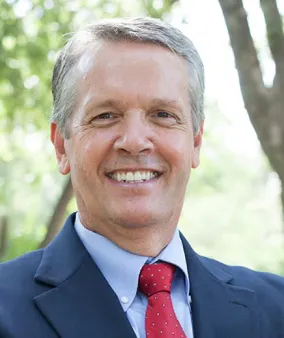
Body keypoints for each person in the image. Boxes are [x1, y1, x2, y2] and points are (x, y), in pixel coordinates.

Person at [0, 17, 284, 338]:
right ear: (62, 146)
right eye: (105, 116)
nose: (134, 141)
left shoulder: (277, 308)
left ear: (195, 142)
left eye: (163, 115)